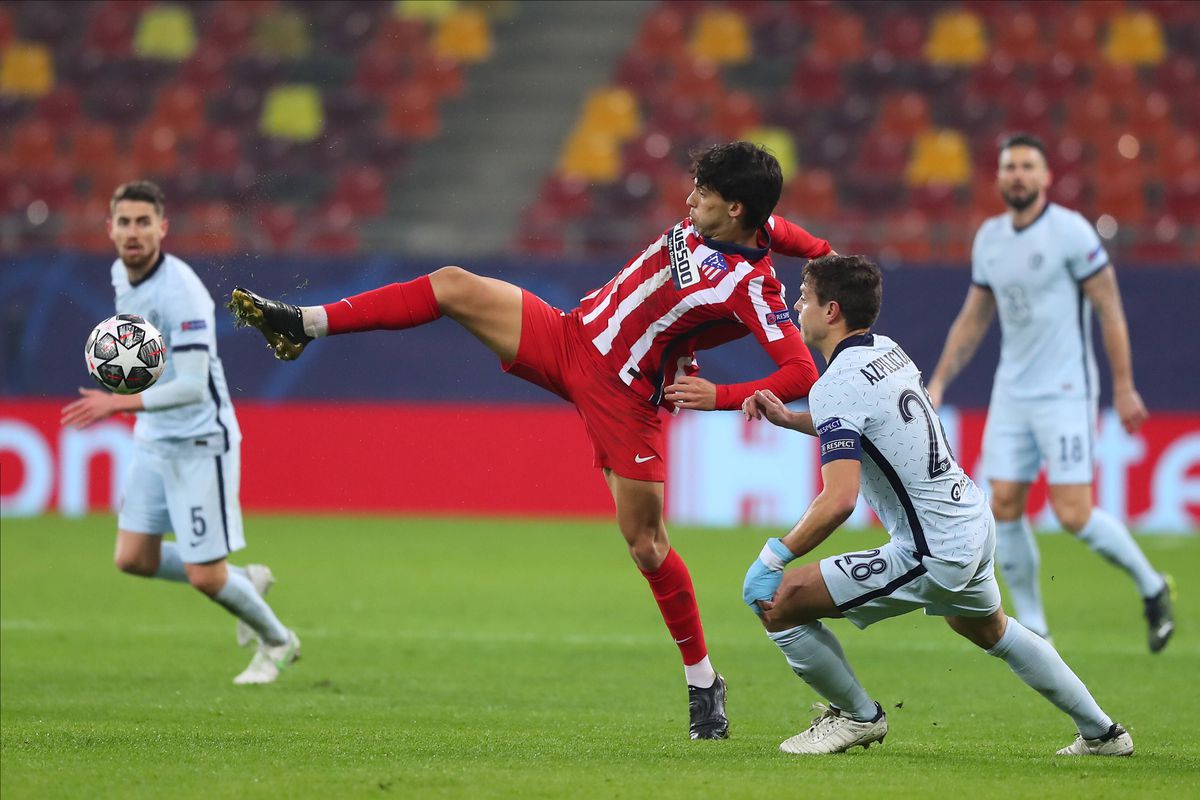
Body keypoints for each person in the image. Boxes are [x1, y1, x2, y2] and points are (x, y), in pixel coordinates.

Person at [228, 142, 834, 739]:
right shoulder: (740, 222)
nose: (690, 196)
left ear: (734, 210)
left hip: (624, 400)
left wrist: (719, 398)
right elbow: (790, 235)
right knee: (451, 285)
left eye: (703, 192)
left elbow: (801, 373)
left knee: (647, 546)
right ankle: (304, 324)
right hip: (570, 335)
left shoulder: (754, 289)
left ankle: (703, 682)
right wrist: (827, 252)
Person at [741, 254, 1133, 756]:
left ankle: (858, 717)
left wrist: (776, 554)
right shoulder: (886, 351)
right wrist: (794, 419)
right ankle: (1103, 734)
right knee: (988, 627)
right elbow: (873, 423)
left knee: (779, 601)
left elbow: (839, 500)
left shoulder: (836, 384)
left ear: (831, 310)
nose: (798, 305)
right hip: (971, 517)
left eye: (804, 296)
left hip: (932, 549)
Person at [925, 133, 1172, 652]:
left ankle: (1152, 588)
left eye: (1026, 166)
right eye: (1008, 166)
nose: (1016, 174)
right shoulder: (989, 237)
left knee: (1073, 513)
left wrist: (1124, 387)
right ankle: (1036, 628)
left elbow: (1109, 308)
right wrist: (942, 377)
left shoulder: (1070, 232)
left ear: (1045, 177)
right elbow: (973, 318)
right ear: (999, 178)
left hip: (1066, 391)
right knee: (1006, 505)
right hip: (1012, 392)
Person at [61, 180, 301, 685]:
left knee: (203, 575)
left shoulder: (182, 292)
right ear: (110, 228)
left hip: (200, 442)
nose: (133, 232)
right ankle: (245, 582)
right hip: (154, 438)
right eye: (124, 222)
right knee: (132, 557)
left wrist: (117, 402)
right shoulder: (120, 275)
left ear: (162, 228)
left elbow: (193, 386)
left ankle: (279, 640)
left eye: (143, 222)